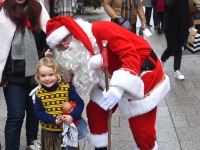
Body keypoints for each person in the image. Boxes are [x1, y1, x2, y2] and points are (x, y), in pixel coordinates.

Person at [43, 16, 170, 150]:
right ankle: (101, 147)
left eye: (65, 39)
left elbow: (130, 55)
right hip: (108, 78)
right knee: (95, 111)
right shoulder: (73, 50)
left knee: (140, 127)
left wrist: (119, 88)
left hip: (143, 74)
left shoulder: (104, 29)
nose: (65, 45)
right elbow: (70, 75)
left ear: (73, 32)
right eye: (59, 45)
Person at [0, 0, 51, 149]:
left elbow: (48, 34)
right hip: (12, 76)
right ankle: (11, 147)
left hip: (36, 73)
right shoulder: (4, 10)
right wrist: (2, 74)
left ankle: (32, 141)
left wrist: (48, 49)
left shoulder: (38, 8)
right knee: (15, 115)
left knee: (34, 111)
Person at [34, 57, 88, 150]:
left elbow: (80, 103)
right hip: (49, 133)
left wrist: (73, 116)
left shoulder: (66, 88)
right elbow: (38, 112)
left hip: (67, 131)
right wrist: (53, 120)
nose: (47, 78)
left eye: (51, 74)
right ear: (38, 77)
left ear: (57, 74)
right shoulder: (39, 93)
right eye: (43, 75)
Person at [160, 0, 193, 80]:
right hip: (170, 24)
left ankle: (177, 70)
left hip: (182, 24)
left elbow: (187, 8)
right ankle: (162, 60)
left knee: (179, 47)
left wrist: (189, 24)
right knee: (172, 46)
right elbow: (169, 5)